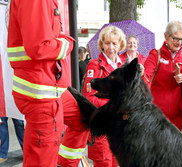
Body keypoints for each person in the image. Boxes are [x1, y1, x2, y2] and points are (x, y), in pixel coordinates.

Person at [7, 1, 90, 166]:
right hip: (41, 94)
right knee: (42, 160)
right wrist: (68, 43)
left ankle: (64, 163)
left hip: (49, 88)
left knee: (85, 118)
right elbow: (38, 47)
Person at [82, 25, 126, 167]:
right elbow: (89, 98)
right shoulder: (95, 65)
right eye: (107, 43)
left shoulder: (124, 66)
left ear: (120, 45)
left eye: (114, 43)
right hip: (103, 128)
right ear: (101, 44)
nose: (111, 47)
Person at [143, 21, 182, 130]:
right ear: (166, 36)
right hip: (156, 113)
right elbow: (145, 80)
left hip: (178, 114)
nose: (179, 43)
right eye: (175, 39)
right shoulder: (155, 55)